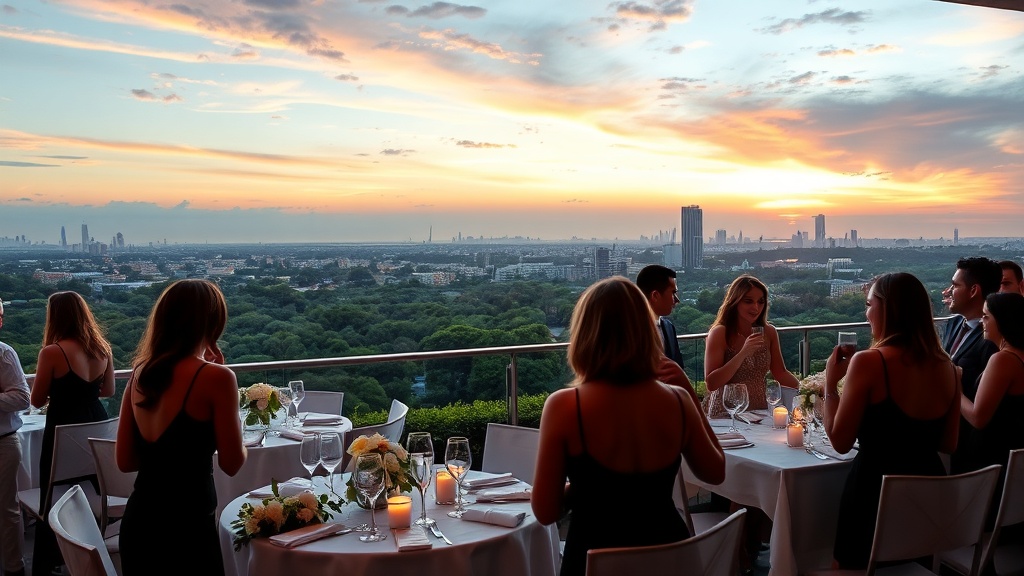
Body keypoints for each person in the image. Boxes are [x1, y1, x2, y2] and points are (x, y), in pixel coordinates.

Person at [532, 277, 725, 576]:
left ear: (585, 334)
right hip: (670, 558)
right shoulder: (677, 401)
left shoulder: (565, 406)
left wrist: (585, 487)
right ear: (646, 332)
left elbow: (545, 512)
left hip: (595, 558)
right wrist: (687, 391)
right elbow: (715, 471)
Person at [823, 272, 959, 569]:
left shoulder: (871, 361)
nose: (866, 311)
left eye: (870, 304)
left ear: (887, 309)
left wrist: (830, 386)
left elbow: (840, 442)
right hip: (926, 498)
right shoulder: (947, 366)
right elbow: (948, 443)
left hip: (874, 494)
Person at [116, 280, 246, 576]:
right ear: (212, 324)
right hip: (189, 527)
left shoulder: (139, 374)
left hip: (140, 523)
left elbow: (125, 462)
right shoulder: (217, 378)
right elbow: (232, 463)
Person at [30, 291, 114, 576]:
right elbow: (109, 391)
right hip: (95, 426)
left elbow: (36, 400)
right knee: (95, 486)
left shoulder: (52, 352)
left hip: (63, 428)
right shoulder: (102, 348)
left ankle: (49, 560)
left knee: (52, 489)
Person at [951, 292, 1024, 528]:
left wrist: (955, 387)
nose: (982, 323)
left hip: (990, 458)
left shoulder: (1003, 360)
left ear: (1002, 321)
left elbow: (978, 417)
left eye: (986, 317)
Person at [704, 274, 799, 417]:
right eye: (748, 301)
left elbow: (780, 373)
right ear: (735, 302)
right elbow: (711, 383)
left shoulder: (769, 332)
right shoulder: (720, 333)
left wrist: (808, 390)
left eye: (761, 302)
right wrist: (743, 352)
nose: (756, 307)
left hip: (760, 411)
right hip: (726, 413)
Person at [941, 257, 1001, 400]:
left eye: (955, 286)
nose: (949, 292)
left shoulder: (993, 338)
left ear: (973, 291)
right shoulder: (954, 323)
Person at [0, 297, 29, 576]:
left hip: (3, 442)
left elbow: (22, 397)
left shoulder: (3, 354)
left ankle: (14, 568)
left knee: (7, 510)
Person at [636, 265, 684, 367]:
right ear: (655, 295)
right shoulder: (629, 332)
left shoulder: (669, 327)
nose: (677, 300)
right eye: (673, 293)